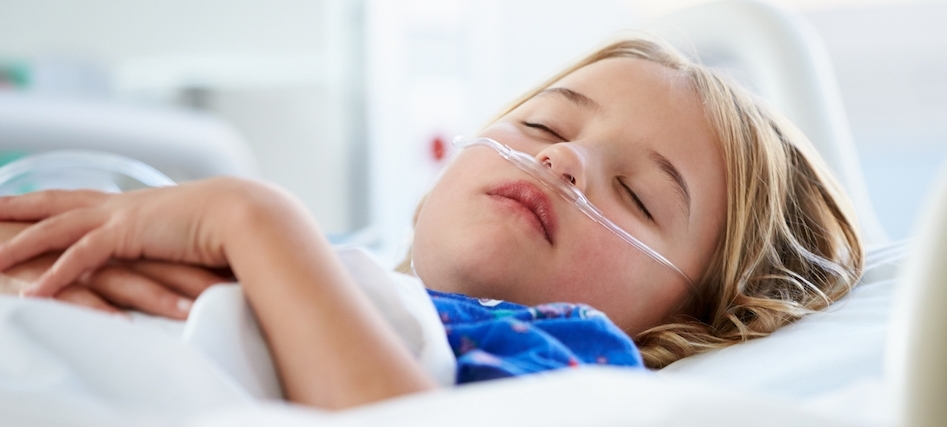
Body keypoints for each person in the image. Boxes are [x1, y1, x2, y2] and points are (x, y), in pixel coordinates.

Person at [0, 37, 862, 409]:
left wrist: (253, 219)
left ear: (686, 320)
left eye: (638, 195)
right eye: (544, 127)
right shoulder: (349, 266)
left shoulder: (570, 366)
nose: (564, 161)